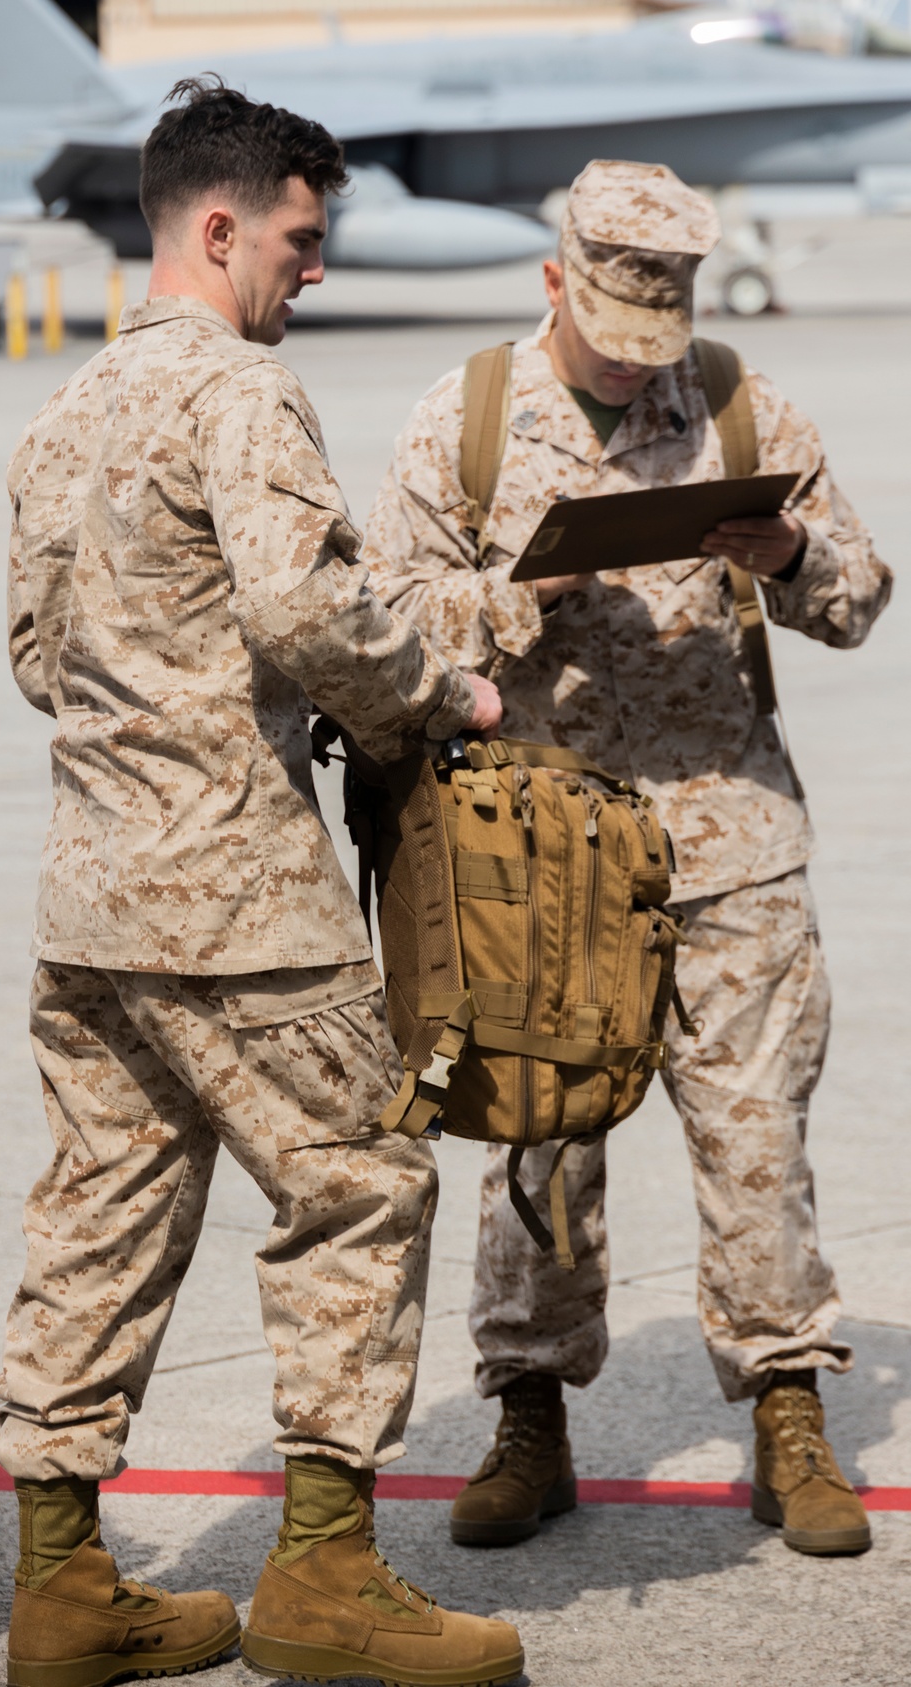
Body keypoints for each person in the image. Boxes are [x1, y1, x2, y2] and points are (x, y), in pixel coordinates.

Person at [0, 76, 523, 1687]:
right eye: (300, 237)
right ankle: (322, 1578)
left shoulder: (66, 411)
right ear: (217, 225)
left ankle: (63, 1584)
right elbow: (310, 617)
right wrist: (444, 688)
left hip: (91, 898)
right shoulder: (240, 396)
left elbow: (34, 658)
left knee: (103, 1212)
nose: (316, 267)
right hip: (237, 899)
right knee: (362, 1184)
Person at [361, 158, 892, 1561]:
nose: (637, 362)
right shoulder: (465, 421)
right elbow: (388, 629)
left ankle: (787, 1409)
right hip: (541, 858)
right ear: (555, 284)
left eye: (659, 328)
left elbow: (860, 595)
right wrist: (511, 595)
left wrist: (787, 553)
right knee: (539, 1137)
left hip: (734, 841)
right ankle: (529, 1415)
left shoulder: (737, 401)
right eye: (612, 330)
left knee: (757, 1138)